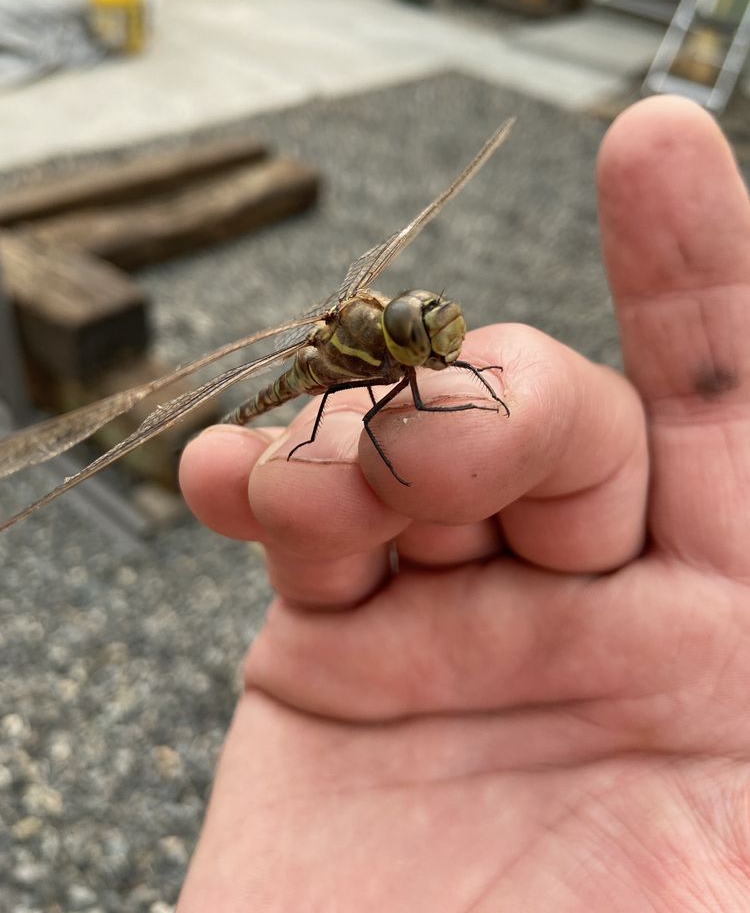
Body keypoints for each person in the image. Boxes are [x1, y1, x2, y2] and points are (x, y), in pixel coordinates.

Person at [175, 96, 750, 911]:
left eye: (436, 331)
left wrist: (477, 376)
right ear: (392, 341)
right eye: (426, 336)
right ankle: (257, 431)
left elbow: (439, 374)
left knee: (431, 426)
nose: (440, 343)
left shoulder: (416, 342)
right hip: (304, 396)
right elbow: (375, 413)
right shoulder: (358, 358)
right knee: (349, 433)